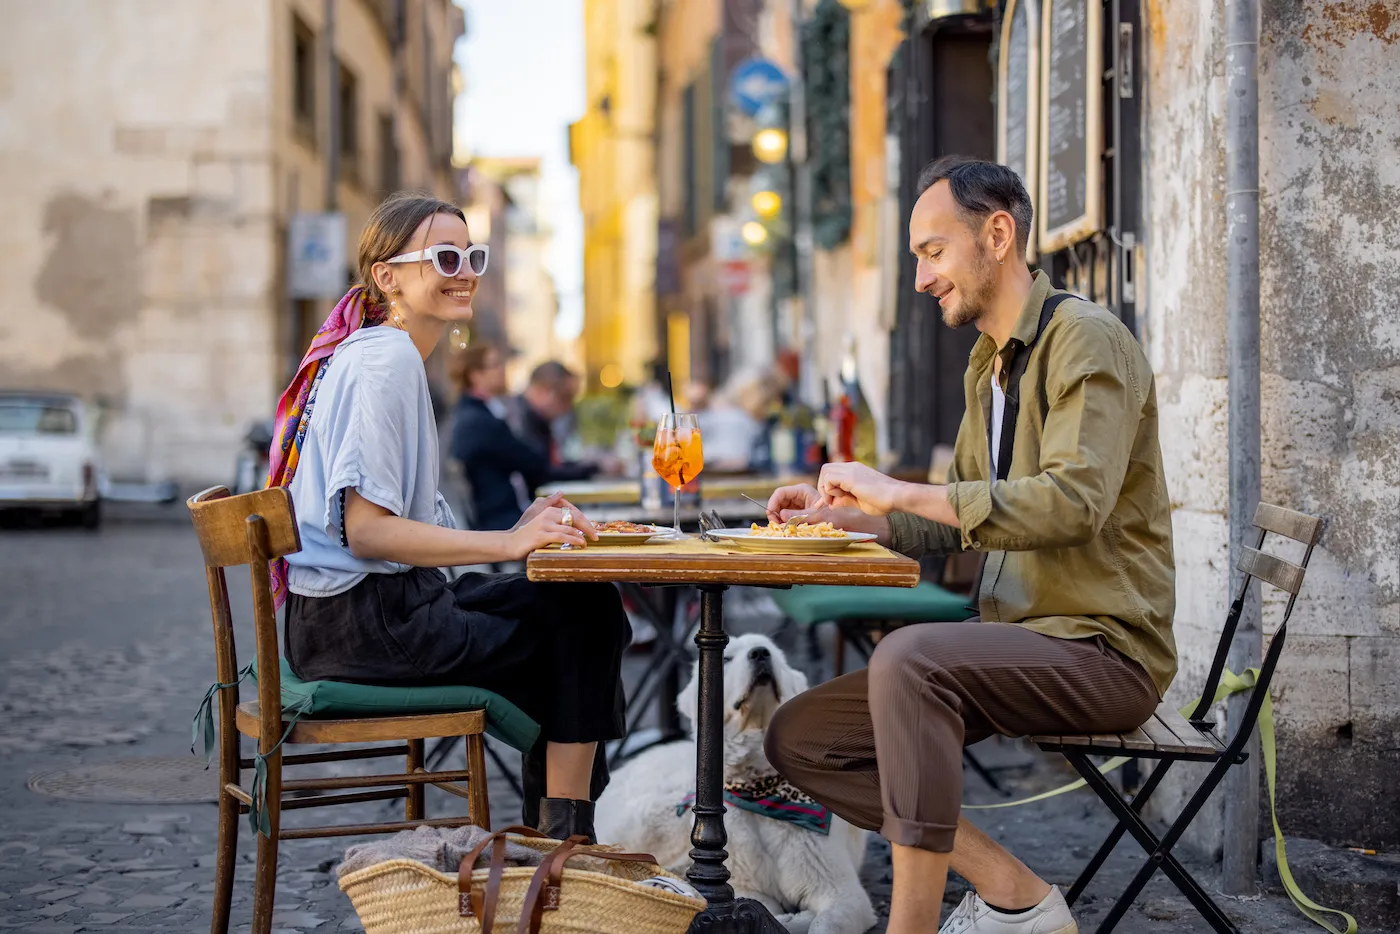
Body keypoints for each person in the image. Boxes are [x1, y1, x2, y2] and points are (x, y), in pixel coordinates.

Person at [764, 157, 1175, 934]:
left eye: (932, 252)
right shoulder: (989, 362)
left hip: (1105, 653)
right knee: (802, 738)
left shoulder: (1085, 341)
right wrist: (848, 519)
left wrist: (901, 490)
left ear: (997, 233)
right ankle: (1014, 893)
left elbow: (1073, 503)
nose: (921, 279)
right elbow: (951, 514)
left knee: (910, 660)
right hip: (1014, 642)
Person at [266, 192, 626, 842]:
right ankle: (566, 841)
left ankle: (559, 833)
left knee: (578, 601)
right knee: (586, 618)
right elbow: (367, 529)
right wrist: (511, 540)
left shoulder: (384, 353)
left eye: (472, 255)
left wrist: (523, 524)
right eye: (446, 256)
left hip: (361, 613)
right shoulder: (386, 360)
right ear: (388, 276)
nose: (466, 271)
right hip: (367, 624)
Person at [449, 343, 573, 531]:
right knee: (572, 520)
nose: (502, 370)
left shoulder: (474, 413)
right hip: (502, 520)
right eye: (495, 364)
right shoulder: (479, 421)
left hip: (501, 514)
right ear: (476, 375)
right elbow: (533, 461)